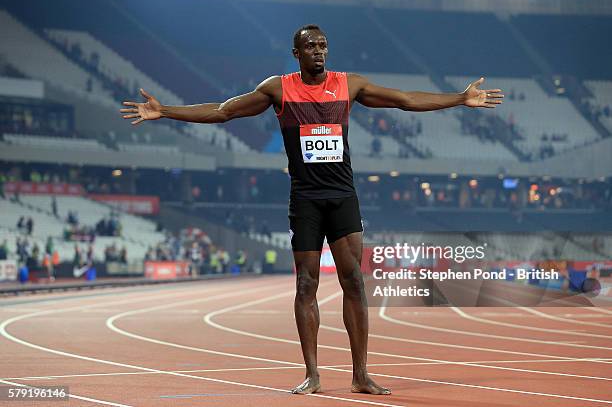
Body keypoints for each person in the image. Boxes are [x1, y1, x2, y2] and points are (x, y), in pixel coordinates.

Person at [120, 24, 503, 395]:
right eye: (311, 46)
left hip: (343, 196)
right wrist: (165, 111)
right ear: (297, 53)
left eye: (323, 45)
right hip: (305, 199)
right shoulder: (278, 89)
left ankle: (361, 375)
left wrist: (459, 98)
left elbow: (405, 100)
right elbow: (224, 111)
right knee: (306, 284)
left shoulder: (349, 84)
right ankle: (313, 374)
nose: (319, 51)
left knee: (353, 281)